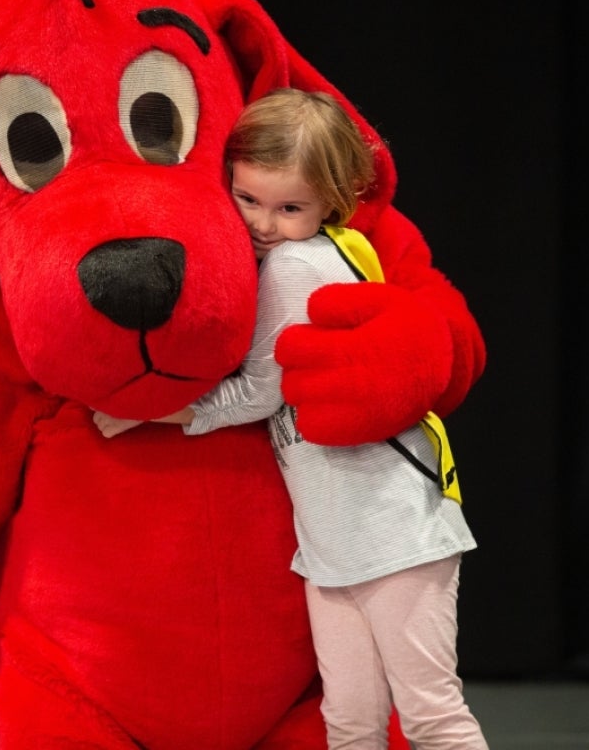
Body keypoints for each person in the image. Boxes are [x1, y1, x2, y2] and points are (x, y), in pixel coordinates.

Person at [94, 87, 488, 749]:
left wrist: (145, 413)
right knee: (353, 720)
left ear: (333, 200)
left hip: (392, 535)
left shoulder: (298, 267)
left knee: (430, 717)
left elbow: (257, 393)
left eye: (289, 207)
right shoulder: (322, 251)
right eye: (247, 199)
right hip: (340, 540)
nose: (263, 224)